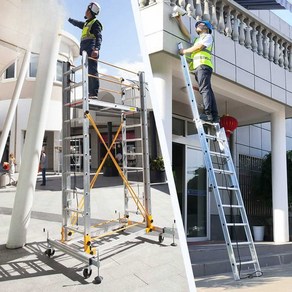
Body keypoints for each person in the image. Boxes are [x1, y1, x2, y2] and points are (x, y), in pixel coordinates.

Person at [177, 17, 219, 123]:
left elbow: (199, 47)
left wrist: (185, 51)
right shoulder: (197, 39)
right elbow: (187, 33)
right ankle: (214, 116)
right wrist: (179, 20)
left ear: (206, 28)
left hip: (203, 65)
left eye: (200, 25)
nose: (197, 26)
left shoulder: (208, 37)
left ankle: (208, 114)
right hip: (199, 67)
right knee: (207, 90)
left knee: (204, 90)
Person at [68, 2, 103, 98]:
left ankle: (94, 93)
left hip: (91, 50)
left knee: (92, 71)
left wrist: (96, 49)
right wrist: (69, 19)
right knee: (87, 72)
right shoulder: (86, 24)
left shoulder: (95, 23)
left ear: (89, 11)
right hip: (85, 51)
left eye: (87, 9)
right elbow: (77, 23)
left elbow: (99, 37)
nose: (85, 11)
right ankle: (90, 93)